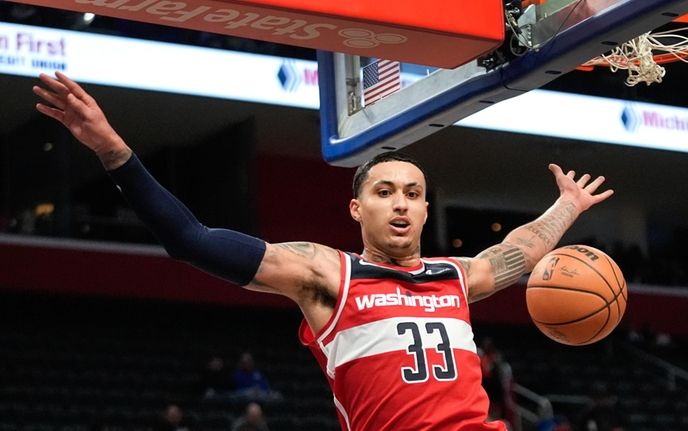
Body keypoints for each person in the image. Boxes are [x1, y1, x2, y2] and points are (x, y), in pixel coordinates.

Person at [33, 71, 614, 431]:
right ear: (358, 209)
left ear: (427, 209)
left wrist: (566, 205)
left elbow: (519, 248)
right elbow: (191, 240)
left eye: (413, 193)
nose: (401, 204)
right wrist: (112, 148)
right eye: (384, 192)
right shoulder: (325, 273)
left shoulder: (456, 275)